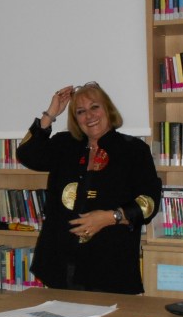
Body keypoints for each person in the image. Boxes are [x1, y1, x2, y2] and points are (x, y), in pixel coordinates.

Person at [16, 82, 162, 294]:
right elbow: (27, 155)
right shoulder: (64, 144)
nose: (89, 116)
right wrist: (51, 113)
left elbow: (149, 202)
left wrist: (110, 217)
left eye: (95, 107)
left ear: (108, 109)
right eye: (80, 111)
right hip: (58, 264)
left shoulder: (134, 150)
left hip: (110, 267)